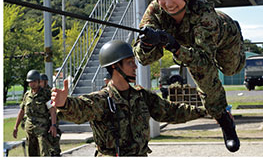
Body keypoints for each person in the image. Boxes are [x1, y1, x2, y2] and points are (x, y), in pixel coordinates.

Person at [133, 0, 245, 152]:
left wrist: (175, 46)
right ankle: (224, 118)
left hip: (225, 39)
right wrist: (147, 42)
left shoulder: (205, 17)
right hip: (186, 41)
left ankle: (222, 116)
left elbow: (203, 61)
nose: (167, 3)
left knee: (229, 69)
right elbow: (143, 58)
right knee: (197, 71)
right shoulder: (155, 10)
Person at [51, 40, 206, 156]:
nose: (135, 67)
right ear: (115, 66)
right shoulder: (103, 100)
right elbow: (80, 109)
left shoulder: (142, 96)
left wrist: (204, 111)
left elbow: (171, 111)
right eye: (130, 63)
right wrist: (64, 103)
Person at [13, 70, 57, 156]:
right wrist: (16, 127)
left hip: (42, 128)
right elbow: (22, 111)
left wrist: (53, 125)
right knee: (32, 153)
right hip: (29, 128)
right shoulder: (27, 95)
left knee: (45, 152)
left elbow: (52, 110)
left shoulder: (46, 94)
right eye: (30, 82)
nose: (32, 84)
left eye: (34, 81)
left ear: (38, 81)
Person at [40, 73, 62, 156]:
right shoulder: (40, 92)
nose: (41, 83)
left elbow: (54, 108)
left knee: (54, 143)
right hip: (44, 123)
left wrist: (54, 124)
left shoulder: (50, 92)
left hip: (52, 120)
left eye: (42, 81)